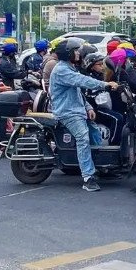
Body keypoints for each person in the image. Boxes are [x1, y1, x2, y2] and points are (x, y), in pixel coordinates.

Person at [49, 38, 119, 191]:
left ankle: (100, 167)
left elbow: (77, 91)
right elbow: (82, 81)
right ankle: (88, 178)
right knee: (83, 137)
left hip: (78, 110)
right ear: (68, 54)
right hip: (67, 112)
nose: (78, 53)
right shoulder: (62, 70)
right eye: (75, 51)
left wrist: (88, 107)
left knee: (95, 134)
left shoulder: (70, 68)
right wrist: (105, 84)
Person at [83, 52, 125, 146]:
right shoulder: (89, 78)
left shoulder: (100, 76)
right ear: (91, 66)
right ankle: (113, 146)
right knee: (117, 118)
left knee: (120, 113)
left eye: (103, 64)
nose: (102, 67)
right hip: (95, 109)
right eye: (99, 64)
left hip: (102, 106)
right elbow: (90, 93)